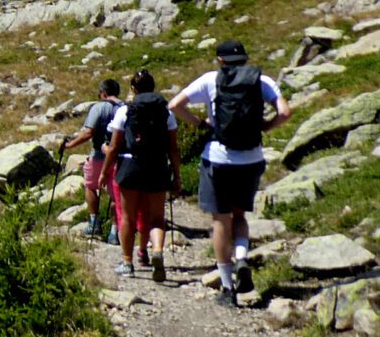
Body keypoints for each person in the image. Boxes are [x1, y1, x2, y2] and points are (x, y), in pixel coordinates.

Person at [169, 39, 291, 308]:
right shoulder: (262, 80)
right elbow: (285, 111)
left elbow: (175, 105)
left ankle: (226, 285)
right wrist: (267, 127)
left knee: (220, 221)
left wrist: (201, 123)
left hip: (219, 158)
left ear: (220, 60)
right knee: (240, 215)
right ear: (245, 59)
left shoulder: (210, 79)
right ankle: (243, 257)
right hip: (251, 158)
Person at [103, 69, 180, 282]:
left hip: (130, 165)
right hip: (157, 165)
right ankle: (156, 251)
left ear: (133, 89)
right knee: (156, 217)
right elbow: (173, 148)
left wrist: (105, 172)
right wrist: (177, 175)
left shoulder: (125, 111)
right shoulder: (167, 112)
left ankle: (127, 262)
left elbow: (114, 146)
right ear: (153, 87)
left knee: (127, 217)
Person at [60, 78, 122, 241]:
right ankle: (115, 231)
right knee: (116, 195)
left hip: (98, 156)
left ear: (103, 93)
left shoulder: (98, 108)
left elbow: (88, 133)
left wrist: (70, 145)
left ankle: (94, 223)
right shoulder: (125, 108)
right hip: (118, 158)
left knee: (91, 186)